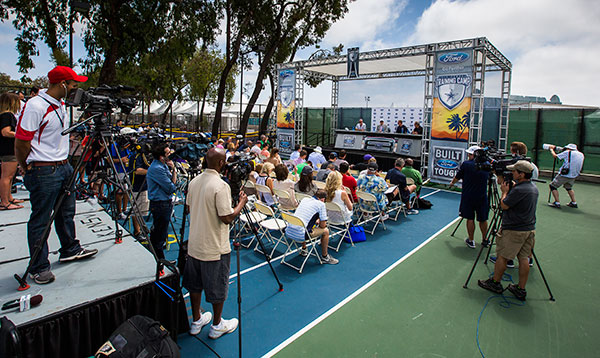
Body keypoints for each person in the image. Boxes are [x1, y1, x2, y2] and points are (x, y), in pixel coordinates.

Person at [15, 66, 98, 284]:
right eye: (72, 84)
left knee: (66, 212)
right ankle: (38, 266)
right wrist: (25, 165)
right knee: (41, 220)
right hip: (43, 169)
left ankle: (70, 248)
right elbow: (22, 141)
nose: (75, 89)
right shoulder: (35, 106)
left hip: (63, 166)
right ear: (61, 84)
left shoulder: (60, 104)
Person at [184, 147, 248, 338]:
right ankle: (217, 324)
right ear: (221, 163)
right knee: (217, 288)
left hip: (194, 244)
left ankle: (196, 320)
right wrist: (241, 203)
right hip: (214, 247)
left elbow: (188, 208)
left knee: (194, 286)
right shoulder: (221, 186)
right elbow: (227, 217)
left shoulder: (194, 181)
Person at [478, 161, 538, 301]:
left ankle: (495, 283)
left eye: (515, 171)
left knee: (502, 256)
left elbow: (504, 205)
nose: (512, 174)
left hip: (514, 230)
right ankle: (520, 288)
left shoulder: (519, 190)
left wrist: (504, 192)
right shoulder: (533, 188)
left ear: (522, 174)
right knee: (524, 258)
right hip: (528, 229)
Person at [448, 145, 490, 249]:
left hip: (468, 196)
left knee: (470, 218)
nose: (468, 156)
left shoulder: (466, 165)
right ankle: (485, 239)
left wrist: (452, 183)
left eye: (470, 154)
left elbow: (458, 176)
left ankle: (471, 240)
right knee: (483, 219)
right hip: (482, 196)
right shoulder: (487, 164)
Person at [285, 189, 339, 264]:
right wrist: (320, 221)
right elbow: (323, 226)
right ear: (323, 199)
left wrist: (316, 220)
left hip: (289, 231)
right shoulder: (321, 204)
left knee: (303, 224)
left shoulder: (305, 199)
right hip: (301, 235)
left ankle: (304, 249)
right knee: (326, 231)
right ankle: (325, 257)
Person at [146, 142, 177, 271]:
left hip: (164, 203)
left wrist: (173, 169)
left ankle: (158, 259)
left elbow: (172, 182)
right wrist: (173, 174)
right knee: (159, 235)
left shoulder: (163, 166)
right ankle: (160, 262)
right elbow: (171, 187)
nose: (170, 155)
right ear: (161, 156)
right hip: (160, 204)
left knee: (159, 233)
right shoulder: (157, 169)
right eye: (167, 153)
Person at [0, 92, 25, 210]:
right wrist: (20, 135)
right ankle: (4, 201)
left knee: (9, 176)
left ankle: (8, 197)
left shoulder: (5, 115)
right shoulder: (7, 115)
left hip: (8, 149)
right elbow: (5, 132)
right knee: (7, 176)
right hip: (8, 149)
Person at [548, 143, 584, 209]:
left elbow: (555, 156)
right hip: (574, 175)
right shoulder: (581, 154)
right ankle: (574, 202)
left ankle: (557, 202)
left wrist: (551, 149)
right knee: (568, 187)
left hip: (565, 174)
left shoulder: (568, 152)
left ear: (569, 148)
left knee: (552, 186)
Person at [111, 129, 132, 220]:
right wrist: (121, 160)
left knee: (127, 190)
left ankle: (124, 209)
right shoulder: (114, 146)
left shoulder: (128, 145)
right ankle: (119, 211)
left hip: (128, 170)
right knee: (120, 191)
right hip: (119, 170)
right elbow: (110, 159)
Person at [129, 148, 150, 240]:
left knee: (142, 210)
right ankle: (137, 232)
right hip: (137, 187)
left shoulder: (146, 156)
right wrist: (153, 171)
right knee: (137, 210)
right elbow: (137, 170)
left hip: (145, 186)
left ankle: (141, 228)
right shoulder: (137, 156)